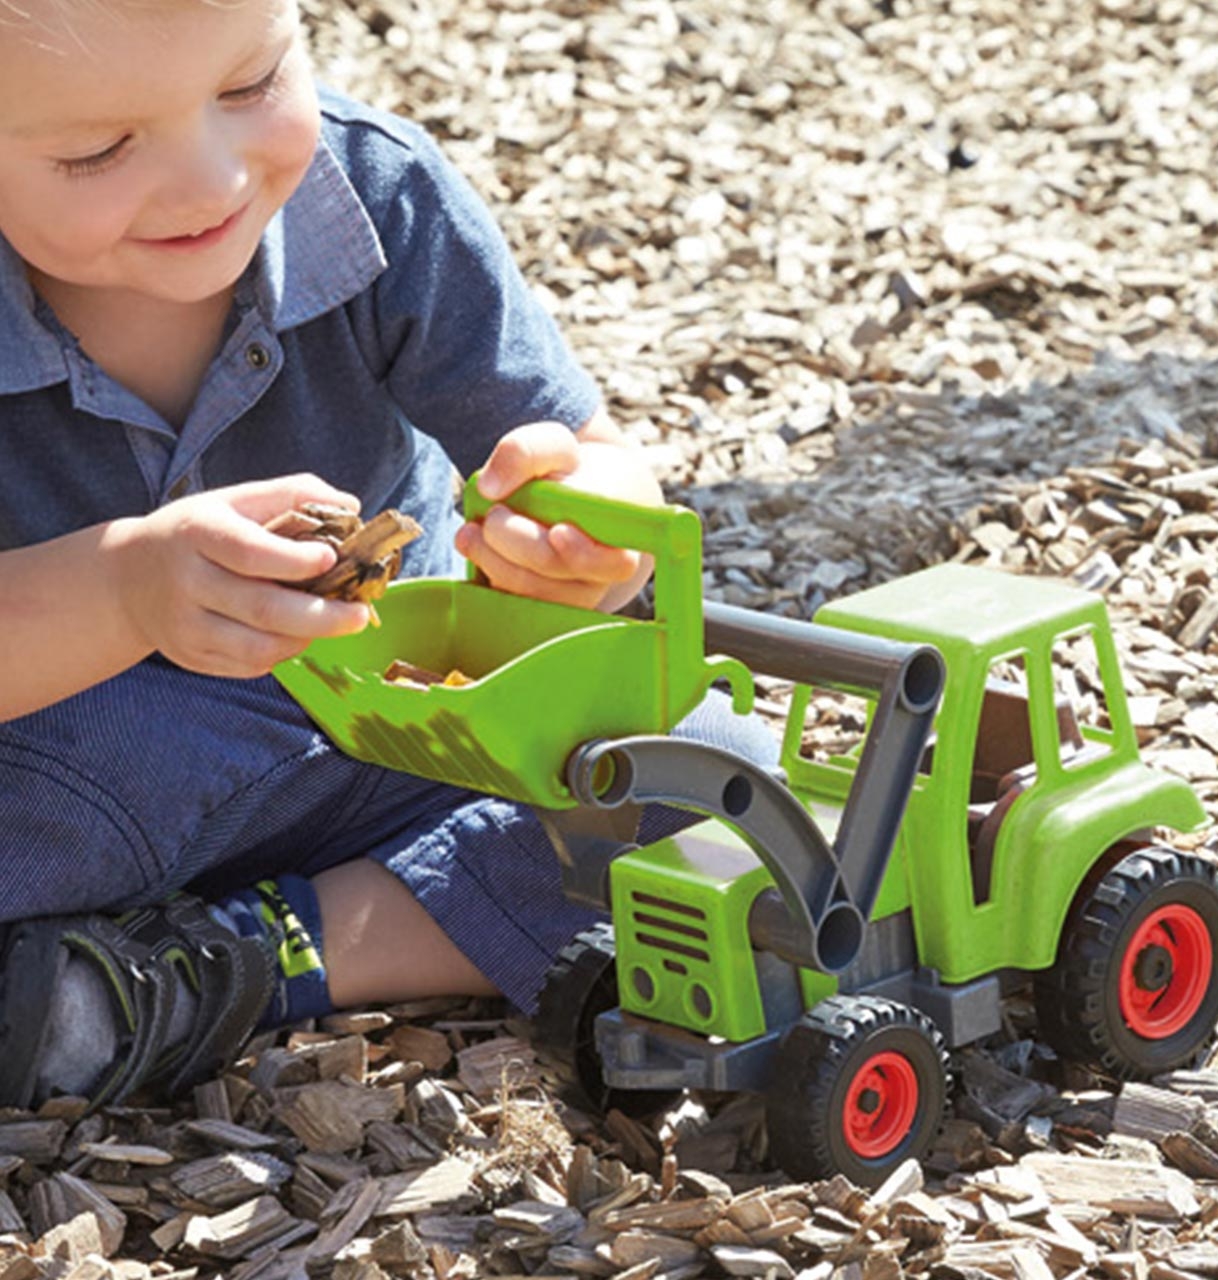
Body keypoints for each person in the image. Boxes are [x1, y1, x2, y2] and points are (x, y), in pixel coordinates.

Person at [0, 0, 777, 1109]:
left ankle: (246, 959)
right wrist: (127, 588)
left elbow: (596, 467)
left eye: (250, 84)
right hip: (89, 755)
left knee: (721, 789)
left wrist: (586, 534)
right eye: (96, 150)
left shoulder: (376, 201)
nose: (210, 181)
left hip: (405, 722)